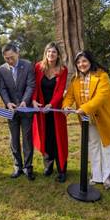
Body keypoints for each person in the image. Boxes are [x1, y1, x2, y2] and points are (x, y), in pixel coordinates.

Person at [62, 50, 110, 190]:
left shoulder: (102, 76)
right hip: (87, 119)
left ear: (90, 61)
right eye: (78, 62)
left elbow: (101, 97)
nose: (81, 64)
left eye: (84, 61)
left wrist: (84, 108)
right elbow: (70, 96)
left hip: (104, 118)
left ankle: (107, 177)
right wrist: (66, 106)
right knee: (93, 146)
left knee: (106, 146)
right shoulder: (75, 79)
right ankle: (96, 175)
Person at [0, 43, 36, 180]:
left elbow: (31, 85)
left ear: (17, 53)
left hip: (26, 109)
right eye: (6, 58)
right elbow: (2, 89)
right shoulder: (1, 70)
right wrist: (7, 103)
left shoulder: (27, 65)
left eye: (12, 57)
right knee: (13, 139)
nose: (10, 61)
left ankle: (28, 167)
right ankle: (17, 166)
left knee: (27, 138)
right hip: (11, 110)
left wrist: (25, 100)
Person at [32, 42, 69, 183]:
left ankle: (62, 168)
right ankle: (48, 165)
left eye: (53, 52)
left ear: (58, 54)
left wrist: (51, 104)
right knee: (45, 136)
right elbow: (34, 86)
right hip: (42, 110)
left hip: (55, 110)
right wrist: (34, 101)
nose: (51, 55)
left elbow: (60, 91)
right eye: (48, 52)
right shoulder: (38, 67)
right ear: (45, 53)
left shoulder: (62, 69)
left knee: (58, 138)